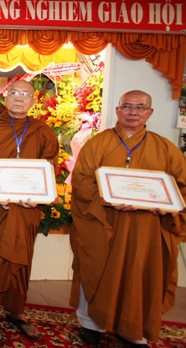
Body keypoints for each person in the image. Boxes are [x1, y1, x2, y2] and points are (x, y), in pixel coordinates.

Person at [70, 90, 186, 347]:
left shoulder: (165, 148)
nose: (133, 112)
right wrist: (106, 199)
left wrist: (167, 206)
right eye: (127, 106)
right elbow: (81, 181)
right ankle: (91, 325)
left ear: (150, 113)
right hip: (104, 223)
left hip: (147, 230)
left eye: (140, 107)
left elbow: (182, 187)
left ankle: (134, 330)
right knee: (95, 269)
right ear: (118, 110)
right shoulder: (98, 144)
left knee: (140, 276)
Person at [0, 80, 58, 339]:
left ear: (33, 100)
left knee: (21, 256)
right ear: (5, 98)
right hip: (1, 205)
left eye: (25, 94)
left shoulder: (43, 130)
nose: (19, 98)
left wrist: (39, 197)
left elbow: (50, 165)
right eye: (14, 93)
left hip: (27, 207)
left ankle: (17, 310)